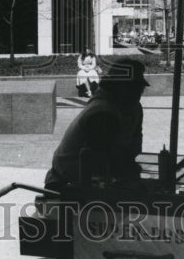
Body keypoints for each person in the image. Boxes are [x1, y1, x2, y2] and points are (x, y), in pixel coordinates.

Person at [46, 59, 148, 191]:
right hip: (67, 185)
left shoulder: (133, 108)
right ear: (116, 86)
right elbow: (101, 164)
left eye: (140, 86)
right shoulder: (101, 113)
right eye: (133, 86)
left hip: (94, 180)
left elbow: (133, 148)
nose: (139, 91)